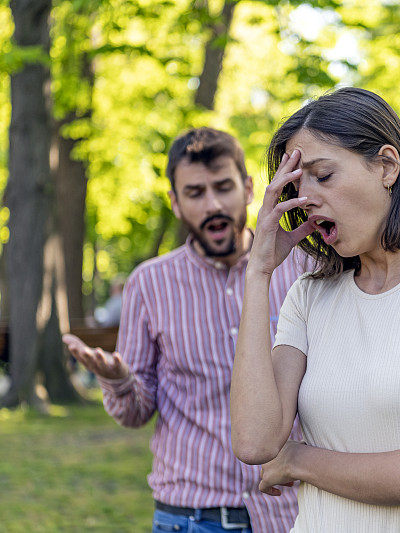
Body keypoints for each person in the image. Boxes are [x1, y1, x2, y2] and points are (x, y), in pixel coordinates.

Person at [230, 88, 400, 532]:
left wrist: (299, 459)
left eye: (323, 176)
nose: (307, 199)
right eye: (296, 187)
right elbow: (255, 442)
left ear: (386, 166)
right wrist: (258, 274)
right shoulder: (308, 295)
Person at [63, 128, 306, 533]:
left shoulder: (302, 268)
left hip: (293, 514)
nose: (213, 204)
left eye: (224, 187)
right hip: (192, 518)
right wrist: (119, 380)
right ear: (175, 203)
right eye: (195, 193)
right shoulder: (149, 284)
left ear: (247, 188)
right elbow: (135, 412)